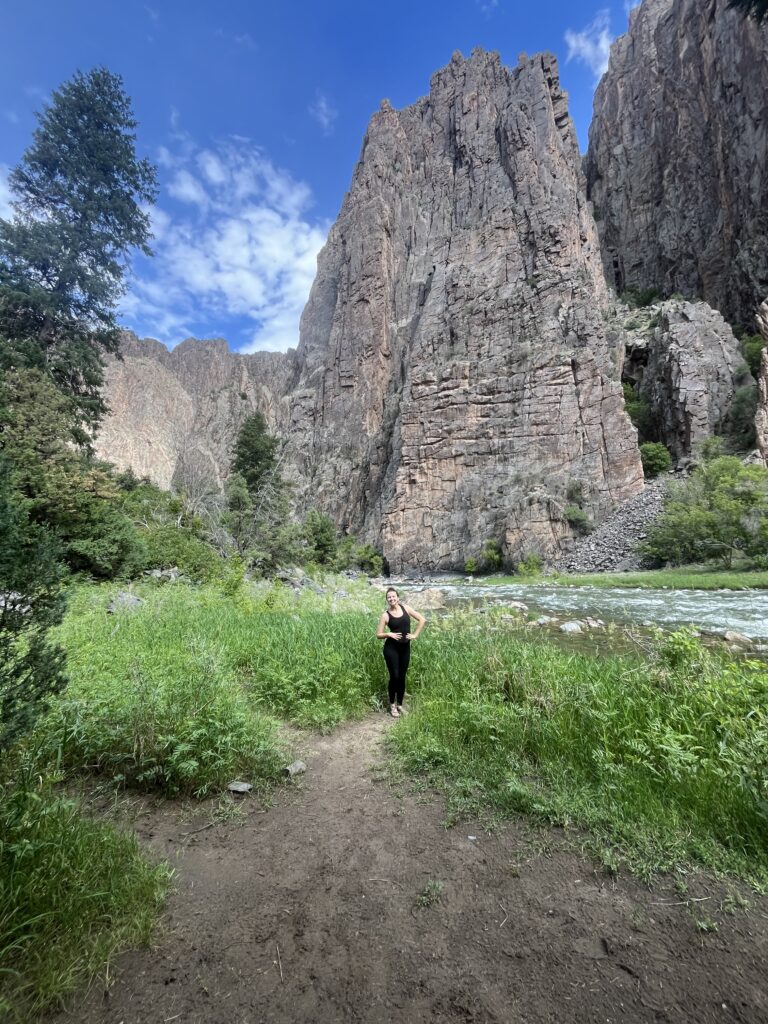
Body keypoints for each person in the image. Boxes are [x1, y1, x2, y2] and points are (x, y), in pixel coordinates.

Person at [376, 587, 425, 718]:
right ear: (387, 600)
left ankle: (400, 705)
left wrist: (415, 635)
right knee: (395, 677)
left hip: (405, 649)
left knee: (402, 677)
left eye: (393, 596)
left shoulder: (406, 609)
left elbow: (422, 620)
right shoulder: (385, 615)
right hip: (391, 649)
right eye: (389, 597)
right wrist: (388, 634)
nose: (392, 599)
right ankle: (392, 705)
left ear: (398, 597)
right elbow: (378, 634)